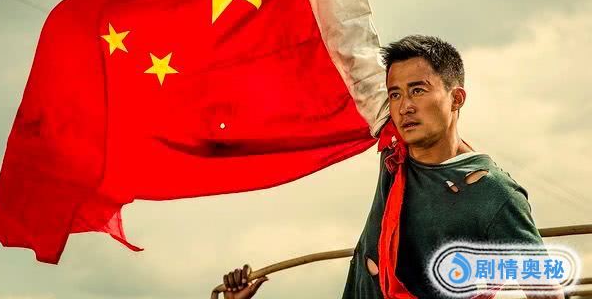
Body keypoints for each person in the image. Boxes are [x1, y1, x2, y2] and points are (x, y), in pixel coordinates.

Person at [221, 35, 563, 299]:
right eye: (395, 94)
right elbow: (348, 45)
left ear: (456, 98)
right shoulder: (393, 152)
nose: (404, 107)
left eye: (418, 91)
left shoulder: (493, 193)